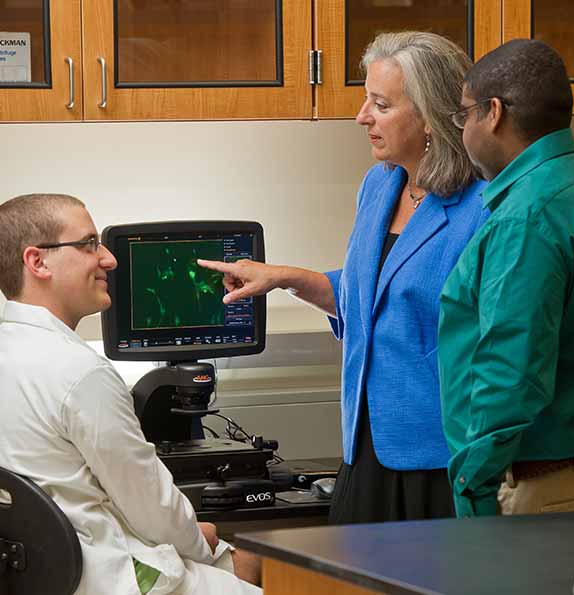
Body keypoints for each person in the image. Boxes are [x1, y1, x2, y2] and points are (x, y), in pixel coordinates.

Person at [198, 32, 488, 524]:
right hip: (364, 444)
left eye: (380, 104)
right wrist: (284, 277)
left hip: (440, 454)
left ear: (431, 116)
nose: (362, 117)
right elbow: (369, 300)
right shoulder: (380, 184)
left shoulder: (481, 208)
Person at [0, 194, 261, 595]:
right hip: (115, 580)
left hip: (47, 580)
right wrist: (200, 540)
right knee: (281, 570)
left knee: (247, 563)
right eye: (90, 243)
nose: (108, 259)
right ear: (37, 261)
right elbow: (151, 507)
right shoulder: (81, 373)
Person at [437, 39, 574, 519]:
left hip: (556, 488)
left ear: (493, 113)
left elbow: (509, 374)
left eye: (464, 115)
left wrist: (471, 486)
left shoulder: (527, 216)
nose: (464, 130)